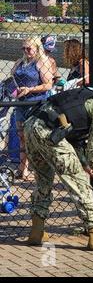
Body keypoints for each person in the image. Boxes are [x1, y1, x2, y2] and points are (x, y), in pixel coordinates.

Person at [23, 86, 93, 250]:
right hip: (50, 132)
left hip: (32, 126)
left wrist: (89, 168)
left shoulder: (89, 101)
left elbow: (76, 142)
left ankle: (37, 230)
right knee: (79, 182)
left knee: (43, 181)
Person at [11, 36, 53, 180]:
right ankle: (23, 168)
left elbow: (48, 85)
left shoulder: (42, 62)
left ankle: (37, 169)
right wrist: (16, 89)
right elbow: (13, 76)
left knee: (34, 138)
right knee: (21, 136)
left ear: (37, 48)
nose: (26, 51)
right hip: (21, 103)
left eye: (29, 48)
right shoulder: (21, 62)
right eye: (23, 48)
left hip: (36, 103)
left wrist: (30, 89)